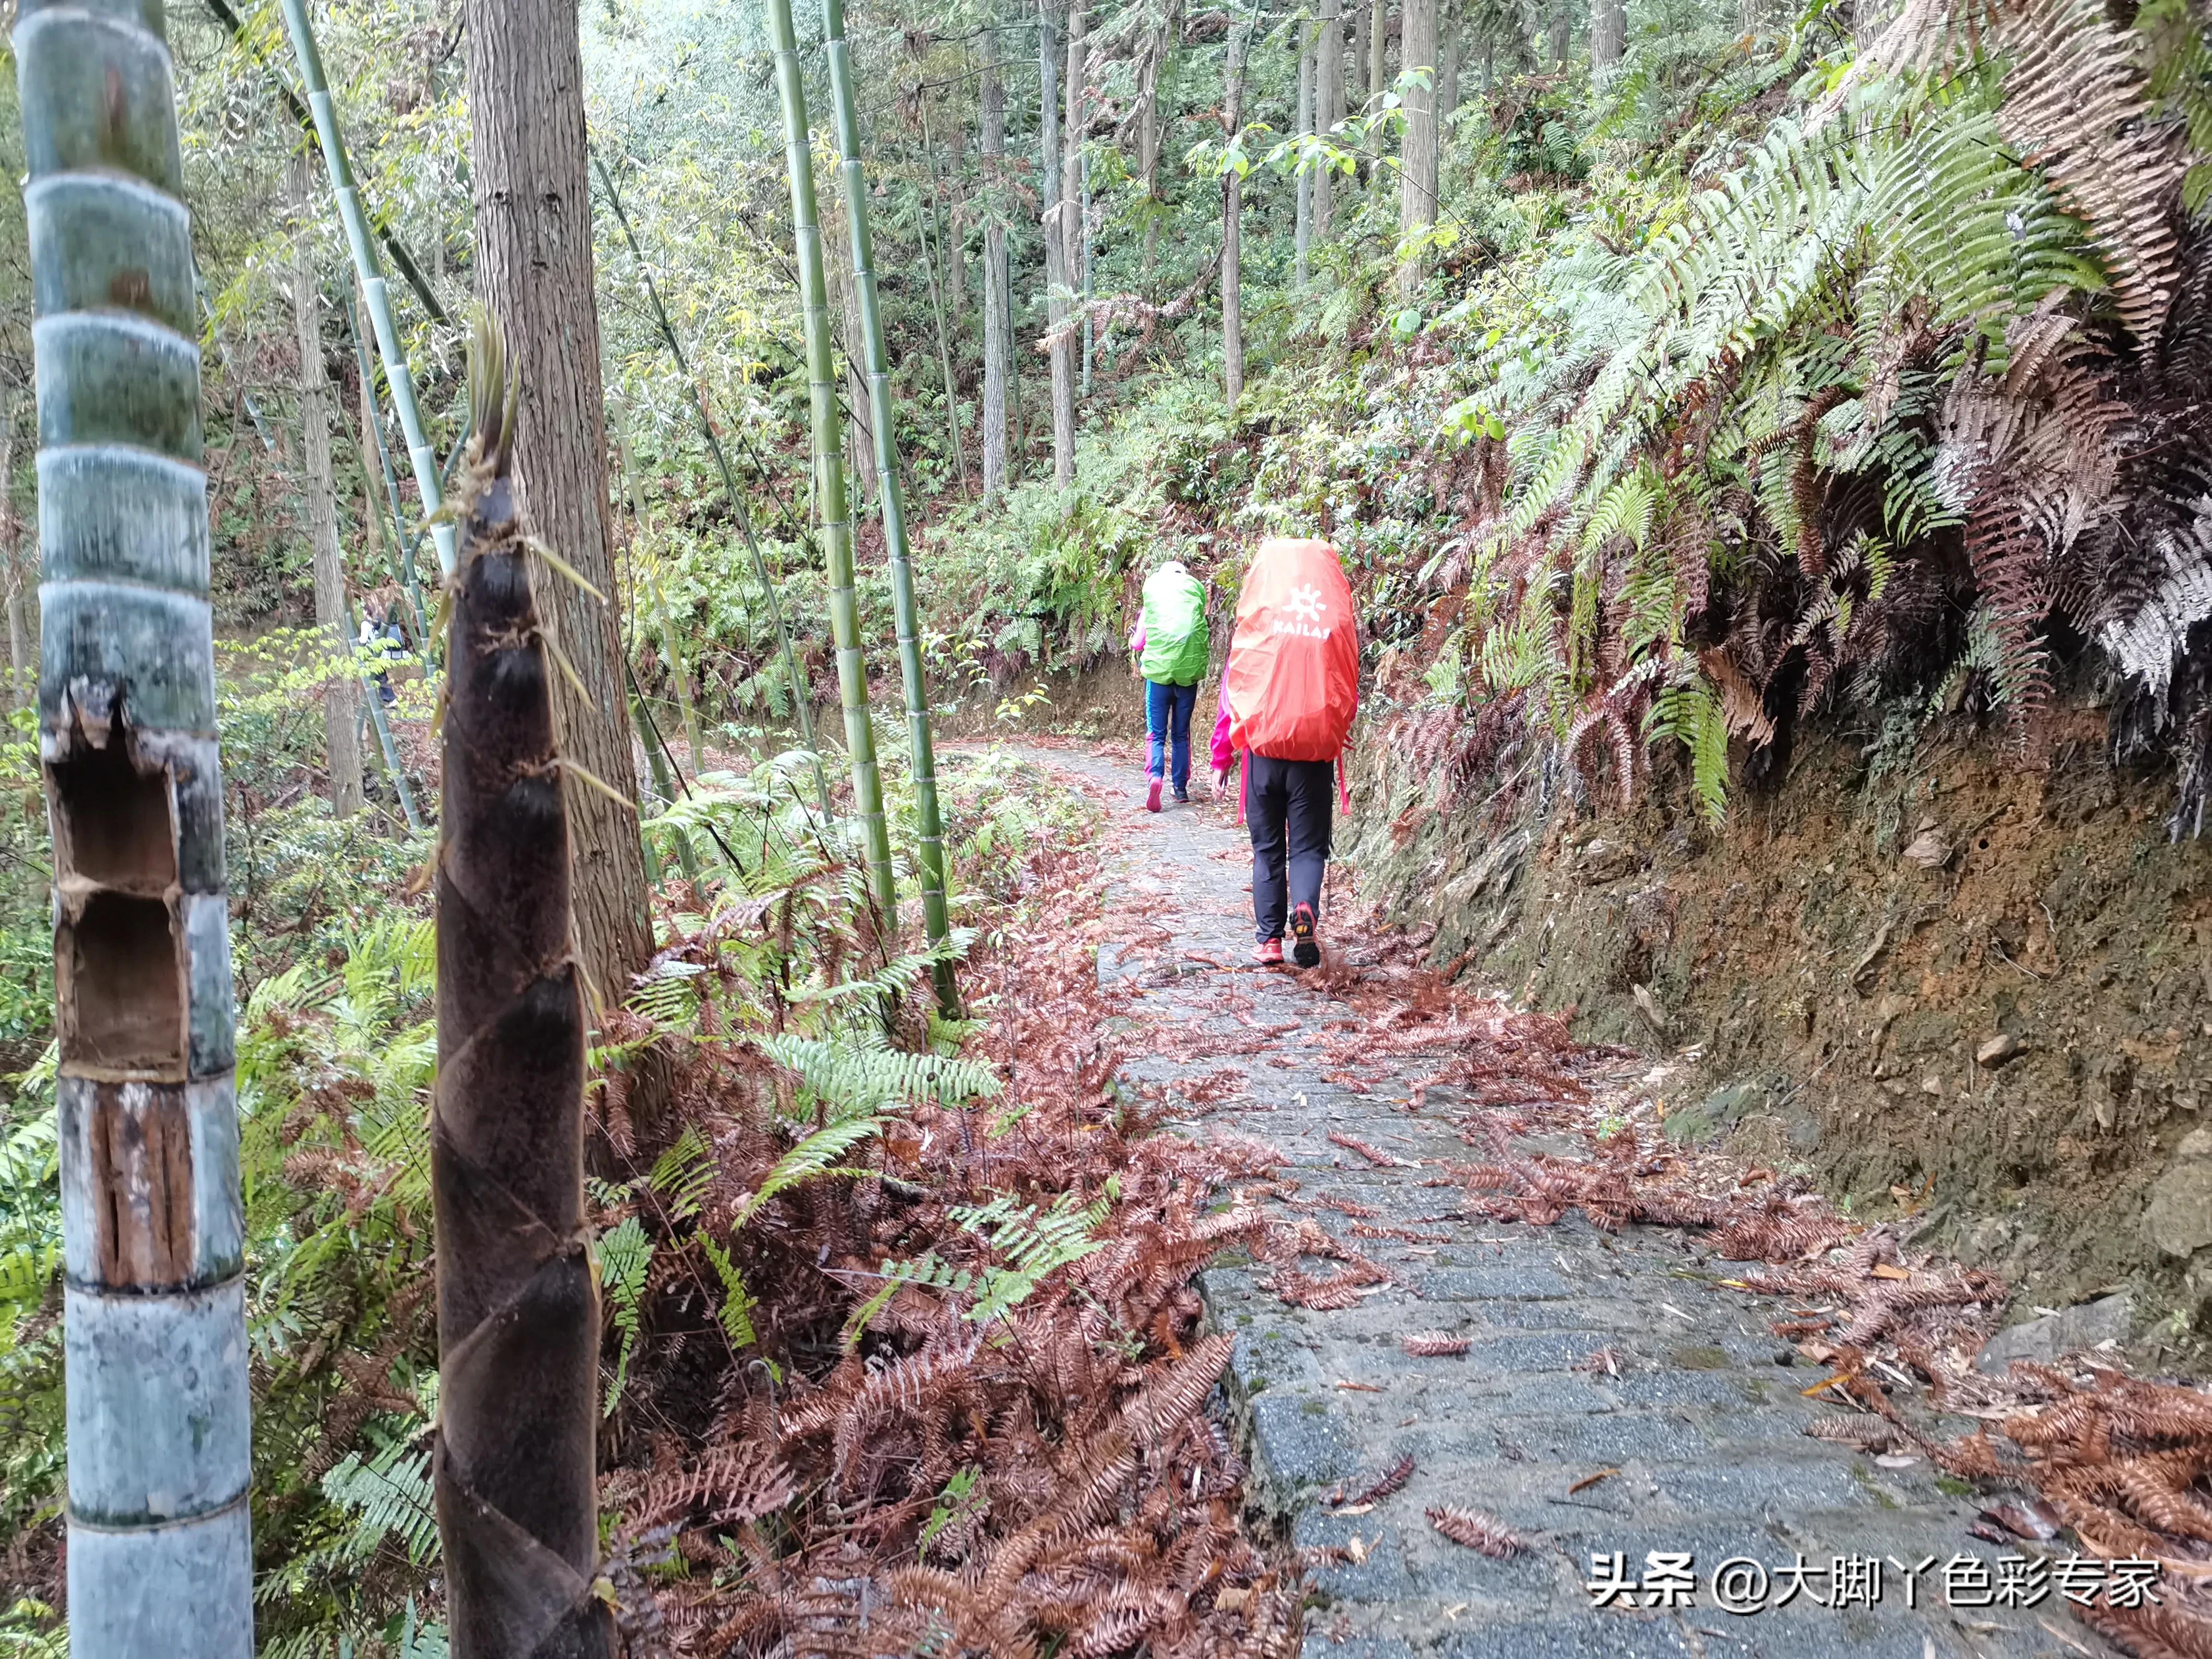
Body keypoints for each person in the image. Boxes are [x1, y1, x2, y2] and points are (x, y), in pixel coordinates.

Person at [1210, 538, 1359, 968]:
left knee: (1268, 849)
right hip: (1313, 754)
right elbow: (1348, 686)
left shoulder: (1261, 625)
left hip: (1263, 756)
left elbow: (1232, 695)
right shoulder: (1332, 626)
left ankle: (1269, 941)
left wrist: (1222, 759)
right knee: (1309, 848)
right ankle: (1306, 910)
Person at [1126, 557, 1210, 812]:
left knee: (1156, 733)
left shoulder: (1151, 607)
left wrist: (1135, 636)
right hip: (1187, 677)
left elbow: (1138, 644)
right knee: (1181, 734)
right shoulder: (1193, 599)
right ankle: (1181, 788)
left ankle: (1155, 777)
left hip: (1159, 677)